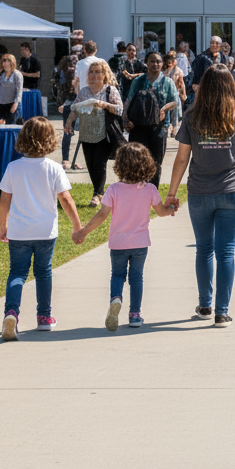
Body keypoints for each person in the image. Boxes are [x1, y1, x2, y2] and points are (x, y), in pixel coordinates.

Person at [165, 65, 235, 326]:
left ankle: (205, 305)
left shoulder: (192, 116)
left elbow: (182, 158)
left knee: (204, 249)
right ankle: (222, 311)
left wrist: (172, 193)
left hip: (199, 192)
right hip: (232, 191)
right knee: (226, 252)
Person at [72, 142, 175, 330]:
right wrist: (172, 208)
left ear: (119, 164)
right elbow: (161, 212)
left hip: (118, 243)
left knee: (118, 275)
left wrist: (83, 231)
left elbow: (102, 215)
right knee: (137, 278)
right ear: (147, 164)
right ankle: (135, 315)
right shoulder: (150, 189)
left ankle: (115, 299)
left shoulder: (113, 189)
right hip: (140, 244)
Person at [0, 117, 83, 340]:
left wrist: (3, 225)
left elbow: (4, 201)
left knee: (17, 272)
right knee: (43, 272)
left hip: (19, 232)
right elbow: (66, 199)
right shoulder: (54, 168)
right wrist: (77, 227)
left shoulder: (13, 167)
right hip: (45, 232)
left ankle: (11, 313)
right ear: (50, 140)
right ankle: (44, 317)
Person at [65, 59, 123, 207]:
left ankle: (97, 194)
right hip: (86, 134)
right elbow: (75, 108)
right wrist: (69, 122)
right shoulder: (84, 92)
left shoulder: (110, 90)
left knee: (99, 163)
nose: (94, 75)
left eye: (98, 72)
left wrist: (104, 105)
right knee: (90, 164)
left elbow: (119, 109)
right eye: (91, 72)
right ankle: (98, 192)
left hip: (104, 133)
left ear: (104, 75)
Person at [124, 52, 179, 187]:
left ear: (162, 63)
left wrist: (165, 110)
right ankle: (137, 190)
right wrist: (125, 120)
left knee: (155, 162)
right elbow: (129, 101)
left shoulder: (167, 82)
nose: (156, 64)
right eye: (152, 61)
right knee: (137, 161)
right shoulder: (138, 81)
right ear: (147, 63)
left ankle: (152, 191)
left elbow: (175, 102)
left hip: (159, 128)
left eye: (158, 61)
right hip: (138, 127)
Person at [0, 53, 24, 124]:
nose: (5, 64)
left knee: (13, 125)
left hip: (13, 104)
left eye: (8, 62)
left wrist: (16, 103)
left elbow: (19, 90)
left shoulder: (17, 74)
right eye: (4, 62)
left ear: (12, 64)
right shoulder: (2, 75)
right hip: (2, 104)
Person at [163, 51, 187, 134]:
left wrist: (184, 94)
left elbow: (181, 83)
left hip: (174, 93)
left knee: (175, 110)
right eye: (169, 59)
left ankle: (174, 128)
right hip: (164, 93)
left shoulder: (178, 71)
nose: (170, 61)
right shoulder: (163, 70)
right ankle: (167, 127)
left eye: (172, 59)